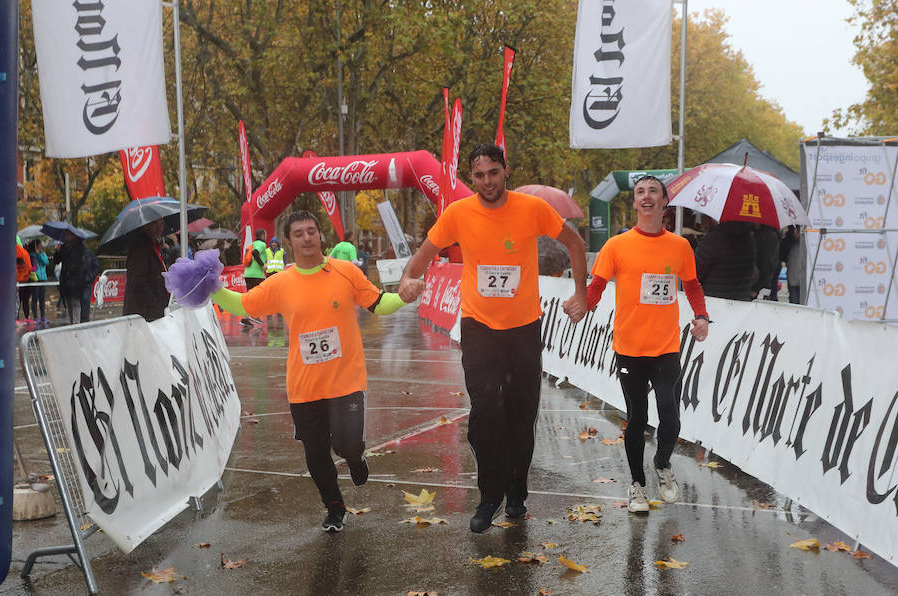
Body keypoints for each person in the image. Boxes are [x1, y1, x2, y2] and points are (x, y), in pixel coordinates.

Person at [398, 143, 588, 533]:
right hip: (479, 327)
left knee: (521, 414)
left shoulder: (532, 209)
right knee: (485, 413)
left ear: (505, 171)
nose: (487, 181)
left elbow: (575, 244)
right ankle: (489, 496)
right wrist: (408, 278)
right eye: (479, 175)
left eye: (493, 173)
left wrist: (581, 294)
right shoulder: (458, 213)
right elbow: (423, 255)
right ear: (473, 178)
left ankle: (516, 492)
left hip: (523, 328)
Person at [207, 211, 411, 532]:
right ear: (288, 242)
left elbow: (378, 303)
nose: (307, 238)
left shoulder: (346, 272)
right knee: (316, 454)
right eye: (299, 233)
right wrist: (212, 287)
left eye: (312, 231)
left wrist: (403, 298)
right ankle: (334, 507)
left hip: (346, 381)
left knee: (348, 445)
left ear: (320, 235)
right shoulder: (281, 283)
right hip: (304, 386)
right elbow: (242, 305)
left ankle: (355, 459)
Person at [582, 175, 709, 514]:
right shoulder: (616, 245)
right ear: (635, 203)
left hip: (666, 346)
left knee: (670, 414)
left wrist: (701, 316)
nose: (647, 196)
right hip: (629, 347)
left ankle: (663, 464)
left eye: (653, 191)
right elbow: (596, 286)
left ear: (664, 202)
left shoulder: (680, 246)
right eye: (640, 192)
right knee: (637, 417)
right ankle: (637, 485)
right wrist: (584, 305)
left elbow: (692, 285)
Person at [694, 219, 757, 301]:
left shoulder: (713, 239)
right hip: (741, 301)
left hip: (713, 301)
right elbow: (754, 272)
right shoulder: (749, 239)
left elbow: (695, 271)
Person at [123, 218, 169, 322]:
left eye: (161, 224)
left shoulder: (155, 246)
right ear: (145, 226)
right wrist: (156, 306)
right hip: (144, 314)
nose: (159, 228)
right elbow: (138, 282)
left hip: (152, 312)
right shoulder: (140, 248)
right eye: (154, 223)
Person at [55, 230, 87, 324]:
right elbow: (57, 261)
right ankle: (72, 323)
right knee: (69, 304)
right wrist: (57, 251)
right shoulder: (64, 247)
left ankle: (76, 324)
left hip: (76, 280)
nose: (66, 237)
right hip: (66, 281)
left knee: (76, 303)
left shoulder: (80, 248)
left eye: (69, 235)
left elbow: (79, 263)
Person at [241, 228, 267, 326]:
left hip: (248, 274)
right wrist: (262, 265)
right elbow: (255, 253)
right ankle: (254, 315)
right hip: (257, 275)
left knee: (250, 297)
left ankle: (244, 318)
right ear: (263, 235)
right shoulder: (262, 244)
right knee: (258, 296)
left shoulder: (252, 244)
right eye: (265, 234)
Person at [752, 224, 780, 300]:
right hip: (757, 282)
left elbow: (769, 264)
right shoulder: (756, 234)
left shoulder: (769, 236)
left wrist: (756, 288)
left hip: (762, 283)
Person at [29, 239, 49, 327]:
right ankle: (35, 317)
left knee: (42, 298)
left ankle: (43, 316)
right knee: (35, 298)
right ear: (36, 246)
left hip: (43, 278)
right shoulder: (32, 255)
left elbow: (45, 262)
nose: (41, 246)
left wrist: (39, 254)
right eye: (39, 244)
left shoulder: (43, 254)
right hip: (35, 279)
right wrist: (36, 254)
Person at [80, 243, 100, 322]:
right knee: (79, 302)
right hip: (77, 282)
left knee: (86, 300)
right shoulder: (74, 253)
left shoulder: (90, 253)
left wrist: (91, 277)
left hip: (87, 282)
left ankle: (85, 320)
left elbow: (96, 266)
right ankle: (80, 320)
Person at [15, 237, 33, 325]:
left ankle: (17, 318)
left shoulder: (10, 252)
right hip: (25, 280)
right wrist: (25, 276)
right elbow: (29, 267)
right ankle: (25, 317)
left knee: (18, 300)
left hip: (18, 281)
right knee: (24, 300)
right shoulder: (25, 253)